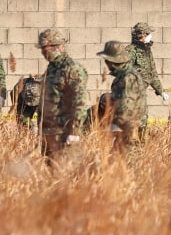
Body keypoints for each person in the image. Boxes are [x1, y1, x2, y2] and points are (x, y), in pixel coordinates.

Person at [36, 28, 89, 162]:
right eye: (42, 49)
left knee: (66, 174)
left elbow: (79, 103)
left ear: (58, 47)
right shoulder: (51, 68)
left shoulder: (72, 69)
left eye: (45, 48)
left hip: (64, 135)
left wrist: (74, 132)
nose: (42, 52)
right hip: (49, 133)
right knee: (50, 175)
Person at [96, 39, 146, 151]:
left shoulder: (128, 77)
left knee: (127, 165)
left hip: (127, 135)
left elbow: (127, 110)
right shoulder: (123, 75)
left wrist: (113, 128)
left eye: (106, 61)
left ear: (111, 61)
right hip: (123, 133)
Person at [126, 22, 167, 139]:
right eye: (148, 34)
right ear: (141, 36)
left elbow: (152, 73)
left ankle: (142, 146)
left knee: (143, 122)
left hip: (141, 93)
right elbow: (123, 72)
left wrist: (161, 91)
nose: (150, 36)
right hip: (131, 93)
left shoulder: (147, 51)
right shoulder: (130, 51)